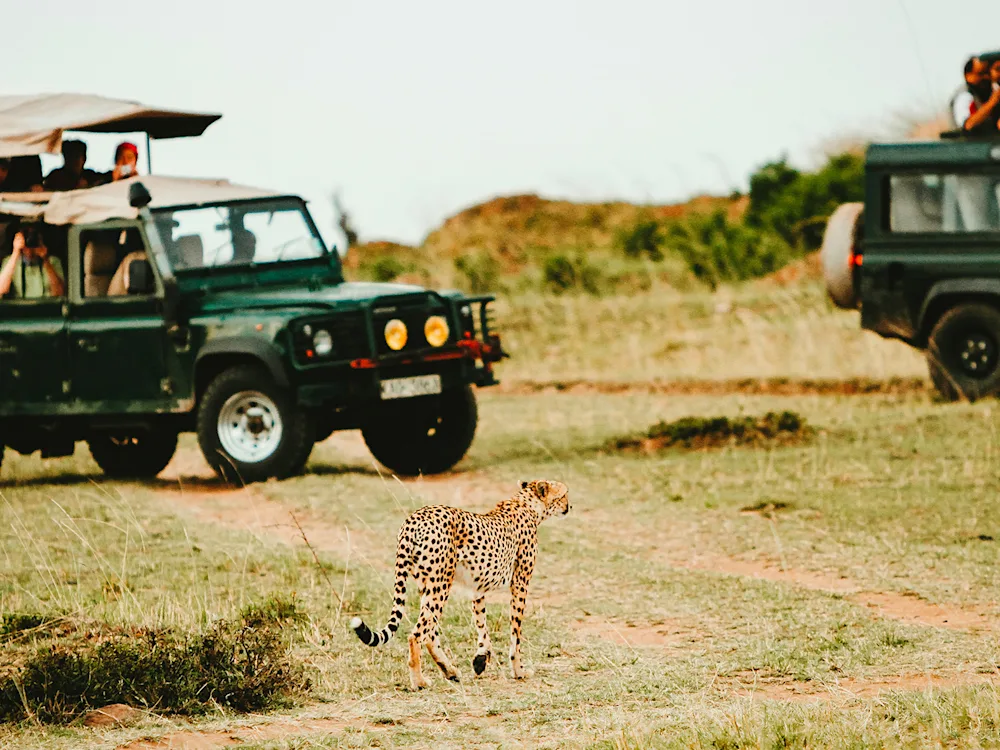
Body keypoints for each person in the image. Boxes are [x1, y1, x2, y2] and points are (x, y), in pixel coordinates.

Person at [0, 226, 65, 299]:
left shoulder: (53, 261)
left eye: (33, 235)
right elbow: (1, 291)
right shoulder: (10, 261)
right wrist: (15, 253)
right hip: (20, 309)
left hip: (46, 308)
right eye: (26, 235)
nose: (30, 239)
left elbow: (60, 292)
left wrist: (45, 260)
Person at [963, 57, 1000, 133]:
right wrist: (993, 101)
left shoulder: (990, 89)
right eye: (980, 73)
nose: (986, 77)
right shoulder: (965, 97)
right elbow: (969, 124)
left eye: (987, 73)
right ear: (968, 76)